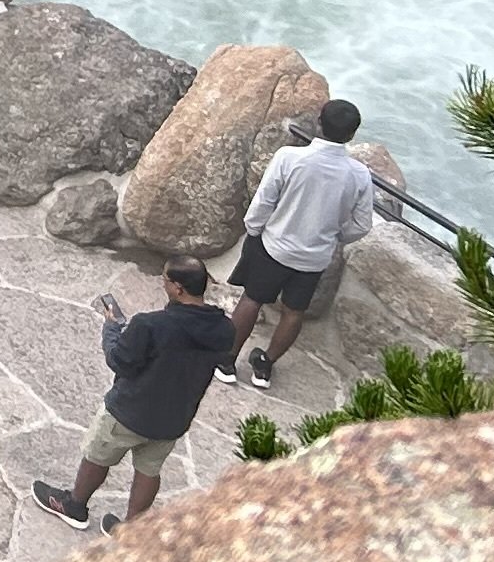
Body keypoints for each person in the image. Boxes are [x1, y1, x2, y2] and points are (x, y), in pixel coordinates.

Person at [35, 259, 238, 530]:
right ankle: (131, 531)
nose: (161, 282)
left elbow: (120, 361)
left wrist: (111, 329)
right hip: (174, 418)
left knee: (98, 454)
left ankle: (75, 506)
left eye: (164, 279)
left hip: (130, 411)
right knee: (149, 470)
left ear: (178, 288)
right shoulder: (224, 328)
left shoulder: (150, 325)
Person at [226, 98, 380, 390]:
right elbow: (361, 225)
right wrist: (334, 237)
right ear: (352, 135)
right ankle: (264, 366)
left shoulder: (289, 157)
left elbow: (264, 201)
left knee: (252, 299)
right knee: (294, 311)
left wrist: (254, 229)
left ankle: (227, 359)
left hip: (275, 245)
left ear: (319, 123)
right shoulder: (359, 175)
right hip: (314, 258)